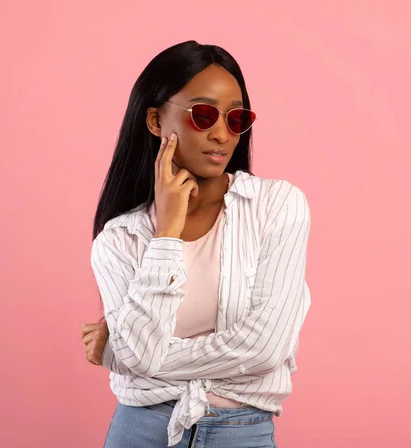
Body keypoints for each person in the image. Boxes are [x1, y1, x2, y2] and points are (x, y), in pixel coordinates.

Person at [81, 40, 312, 448]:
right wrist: (166, 232)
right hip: (140, 432)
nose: (222, 134)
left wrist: (122, 354)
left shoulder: (277, 206)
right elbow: (139, 354)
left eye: (236, 118)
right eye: (203, 115)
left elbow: (264, 349)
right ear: (155, 120)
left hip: (241, 434)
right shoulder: (119, 238)